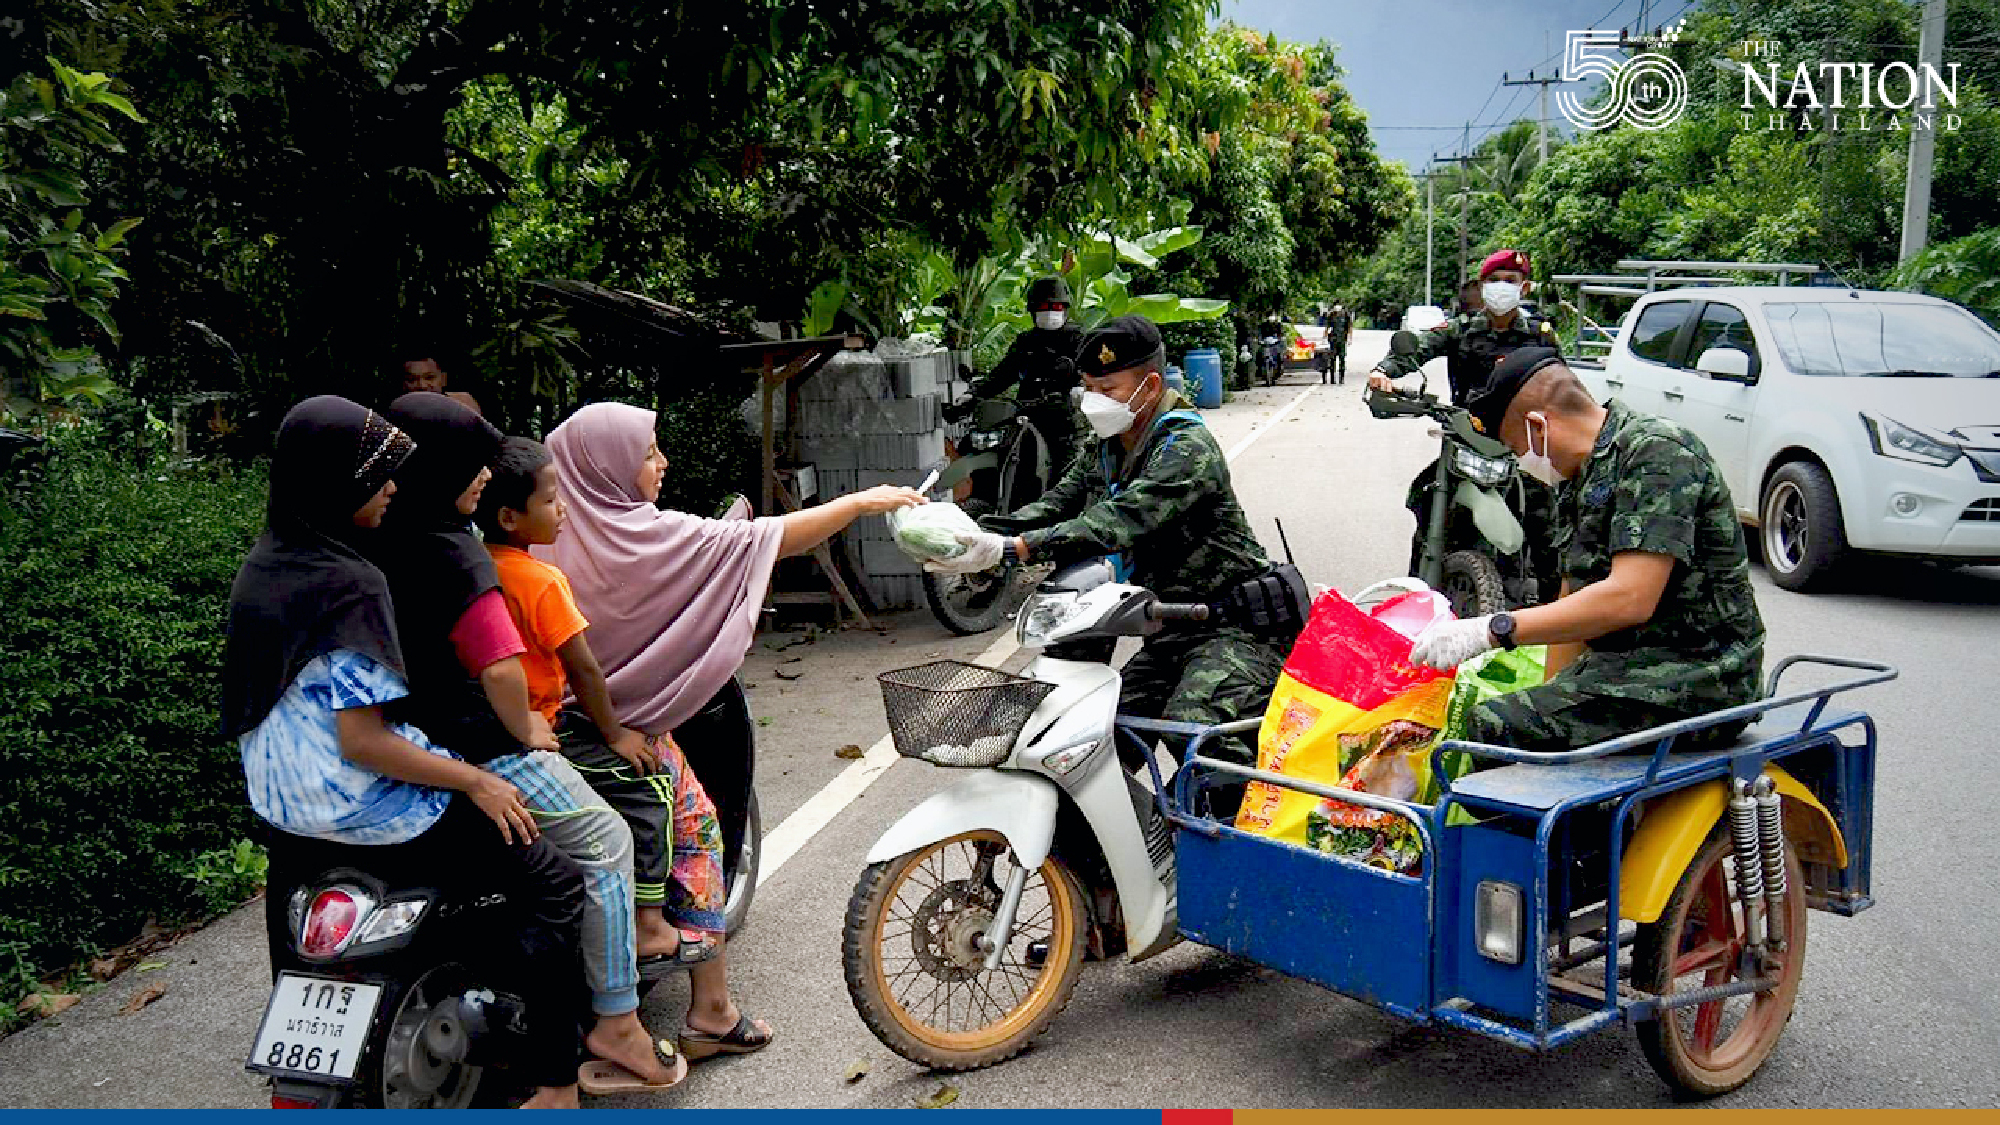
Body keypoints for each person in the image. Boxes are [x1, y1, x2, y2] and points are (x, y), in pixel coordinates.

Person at [222, 395, 585, 1109]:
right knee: (555, 881)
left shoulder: (262, 567)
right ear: (334, 482)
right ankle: (556, 1082)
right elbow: (365, 741)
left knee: (292, 889)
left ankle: (301, 1044)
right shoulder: (353, 582)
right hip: (375, 811)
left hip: (284, 815)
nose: (392, 485)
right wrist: (476, 781)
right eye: (374, 474)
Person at [540, 402, 924, 1057]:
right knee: (698, 829)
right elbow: (773, 535)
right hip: (618, 732)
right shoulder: (653, 536)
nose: (661, 463)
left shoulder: (535, 533)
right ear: (606, 464)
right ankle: (710, 1010)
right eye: (648, 452)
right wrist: (860, 503)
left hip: (539, 733)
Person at [369, 392, 684, 1092]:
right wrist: (524, 729)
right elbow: (506, 668)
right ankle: (618, 1019)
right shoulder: (460, 557)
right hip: (485, 745)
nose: (482, 475)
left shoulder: (377, 536)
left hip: (405, 746)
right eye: (470, 462)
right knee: (607, 839)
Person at [475, 436, 760, 1062]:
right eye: (552, 502)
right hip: (557, 729)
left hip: (510, 728)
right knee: (666, 801)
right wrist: (613, 732)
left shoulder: (469, 566)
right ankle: (654, 935)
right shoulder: (544, 577)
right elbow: (584, 667)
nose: (566, 511)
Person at [929, 316, 1293, 804]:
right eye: (1086, 386)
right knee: (1090, 741)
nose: (1092, 399)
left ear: (1151, 385)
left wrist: (1018, 550)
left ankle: (1230, 854)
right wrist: (972, 535)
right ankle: (1118, 868)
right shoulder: (1106, 447)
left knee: (1197, 730)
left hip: (1235, 627)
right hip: (1172, 627)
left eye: (1107, 386)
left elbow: (1117, 520)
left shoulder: (1187, 447)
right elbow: (1060, 503)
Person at [1408, 347, 1767, 754]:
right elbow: (1573, 597)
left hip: (1700, 677)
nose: (1523, 462)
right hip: (1631, 669)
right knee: (1503, 717)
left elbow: (1630, 598)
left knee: (1488, 729)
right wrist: (1552, 696)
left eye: (1515, 448)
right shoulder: (1579, 477)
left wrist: (1493, 630)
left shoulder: (1658, 454)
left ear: (1537, 428)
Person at [1370, 249, 1563, 594]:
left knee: (1547, 520)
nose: (1501, 288)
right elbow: (1418, 347)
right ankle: (1418, 598)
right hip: (1465, 439)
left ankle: (1557, 613)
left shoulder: (1539, 337)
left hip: (1519, 448)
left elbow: (1562, 386)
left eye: (1511, 281)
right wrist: (1384, 371)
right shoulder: (1459, 330)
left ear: (1525, 288)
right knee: (1429, 506)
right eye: (1494, 281)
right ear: (1482, 286)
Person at [948, 276, 1086, 473]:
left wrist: (1080, 388)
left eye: (1055, 308)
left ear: (1065, 310)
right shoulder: (1026, 342)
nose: (1049, 312)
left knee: (1069, 476)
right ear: (1032, 310)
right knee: (1005, 458)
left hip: (1064, 424)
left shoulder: (1078, 339)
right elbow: (1002, 375)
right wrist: (973, 393)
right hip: (1026, 419)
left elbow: (1095, 373)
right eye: (1043, 307)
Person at [400, 353, 483, 416]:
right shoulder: (398, 412)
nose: (422, 385)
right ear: (403, 384)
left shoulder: (462, 404)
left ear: (443, 379)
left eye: (430, 378)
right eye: (412, 379)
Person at [1319, 302, 1352, 384]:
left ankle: (1341, 379)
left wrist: (1349, 338)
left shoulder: (1345, 315)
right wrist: (1324, 337)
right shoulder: (1331, 315)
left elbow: (1349, 327)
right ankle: (1332, 379)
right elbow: (1327, 327)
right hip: (1333, 340)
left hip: (1342, 340)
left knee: (1342, 358)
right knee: (1332, 359)